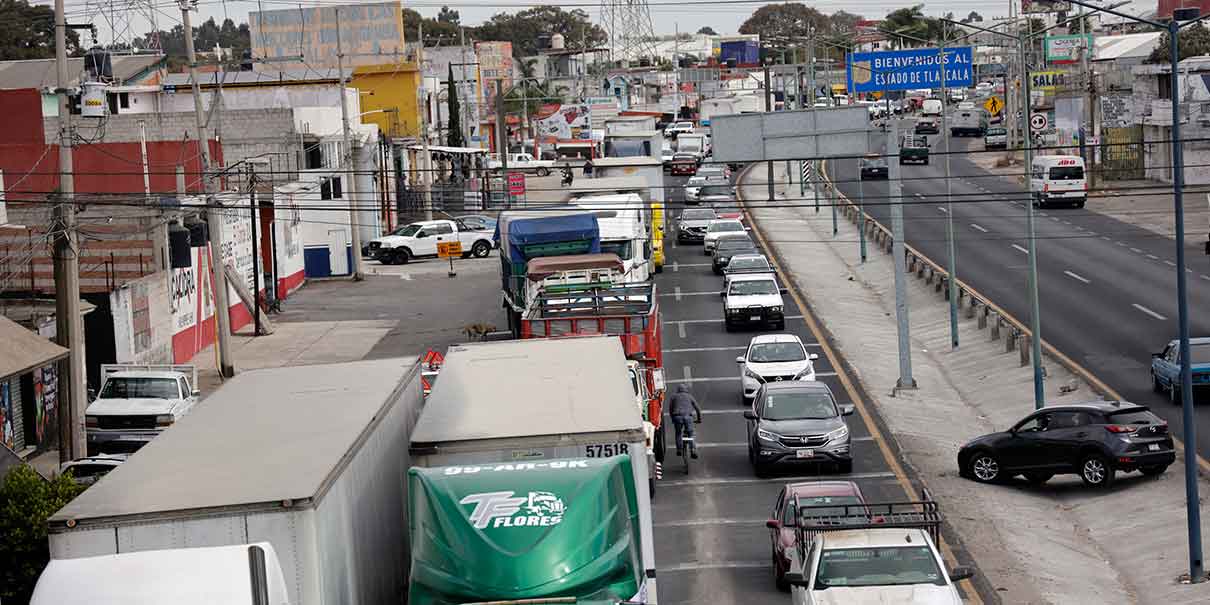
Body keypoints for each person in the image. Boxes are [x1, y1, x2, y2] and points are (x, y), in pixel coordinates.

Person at [668, 384, 702, 459]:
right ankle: (693, 450)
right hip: (688, 417)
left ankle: (679, 449)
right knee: (690, 434)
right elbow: (697, 409)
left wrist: (672, 419)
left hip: (677, 417)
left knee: (678, 433)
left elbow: (670, 409)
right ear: (686, 390)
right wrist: (699, 419)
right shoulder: (689, 396)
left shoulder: (673, 397)